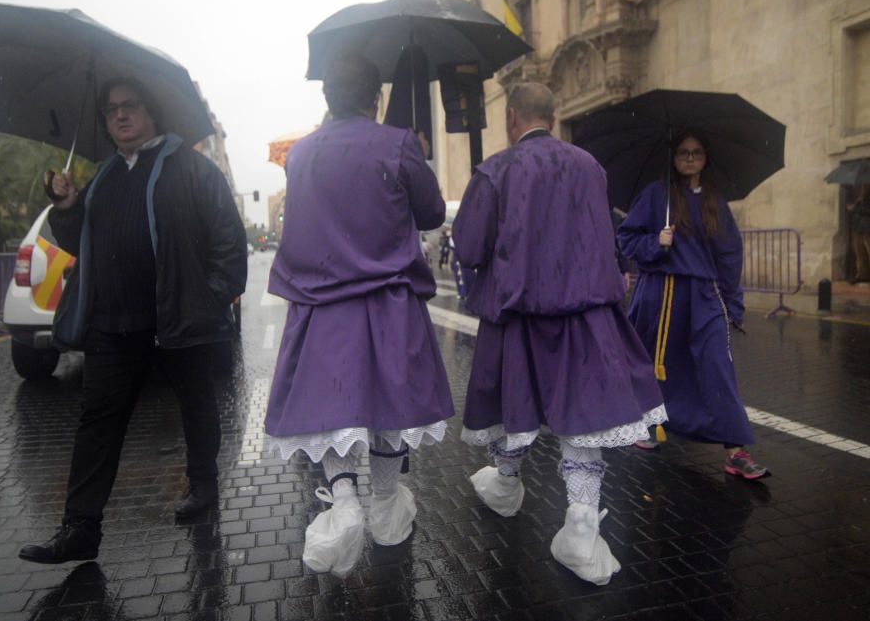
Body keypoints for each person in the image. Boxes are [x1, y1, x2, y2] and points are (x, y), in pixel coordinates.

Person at [18, 76, 248, 564]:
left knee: (197, 406)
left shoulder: (192, 169)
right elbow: (83, 244)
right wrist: (66, 208)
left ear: (152, 112)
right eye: (111, 110)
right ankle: (80, 527)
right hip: (113, 325)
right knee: (97, 422)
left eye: (129, 106)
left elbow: (228, 242)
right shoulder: (102, 178)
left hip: (177, 319)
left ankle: (203, 485)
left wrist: (210, 299)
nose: (119, 115)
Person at [453, 83, 666, 586]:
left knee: (516, 409)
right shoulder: (589, 167)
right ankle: (581, 523)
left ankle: (506, 485)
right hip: (586, 313)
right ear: (553, 115)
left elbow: (467, 245)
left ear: (510, 118)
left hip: (521, 315)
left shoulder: (496, 170)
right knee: (583, 419)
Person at [265, 54, 454, 578]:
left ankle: (344, 501)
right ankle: (388, 507)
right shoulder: (396, 144)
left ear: (328, 97)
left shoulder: (300, 155)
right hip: (388, 301)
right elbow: (433, 213)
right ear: (375, 98)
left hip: (325, 304)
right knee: (389, 405)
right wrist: (411, 153)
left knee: (336, 411)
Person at [618, 131, 769, 480]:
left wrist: (734, 305)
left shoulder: (715, 199)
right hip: (662, 295)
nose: (689, 158)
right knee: (660, 367)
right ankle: (653, 426)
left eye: (696, 152)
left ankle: (735, 451)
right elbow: (626, 238)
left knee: (717, 367)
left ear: (706, 157)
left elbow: (729, 255)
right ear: (673, 158)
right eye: (683, 152)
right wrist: (656, 241)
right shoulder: (657, 195)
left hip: (703, 297)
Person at [847, 183, 870, 284]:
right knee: (860, 253)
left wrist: (855, 208)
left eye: (864, 186)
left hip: (867, 229)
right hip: (859, 228)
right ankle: (862, 275)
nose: (863, 188)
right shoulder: (861, 198)